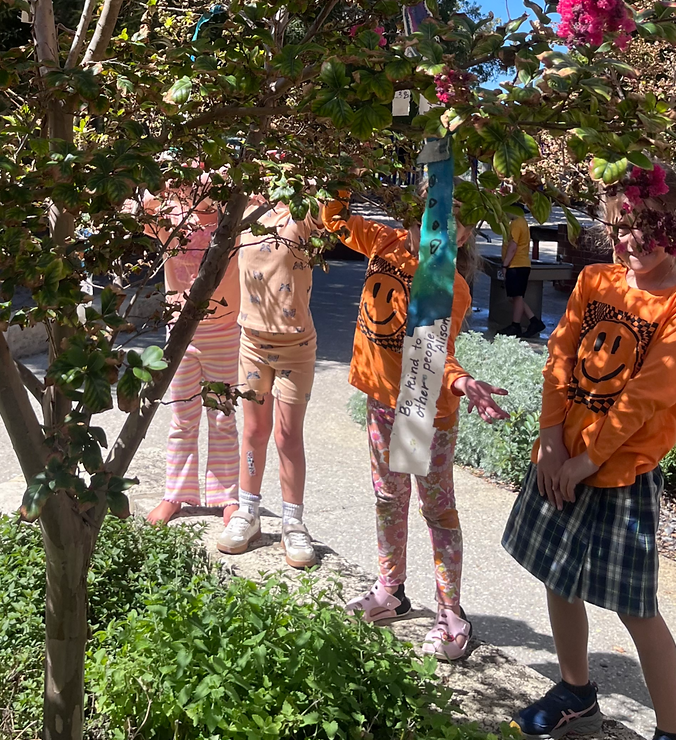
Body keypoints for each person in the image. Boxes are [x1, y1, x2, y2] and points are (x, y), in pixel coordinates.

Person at [501, 163, 676, 740]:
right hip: (566, 459)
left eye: (647, 229)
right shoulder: (595, 281)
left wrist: (585, 459)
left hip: (618, 475)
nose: (630, 243)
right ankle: (576, 691)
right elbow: (561, 357)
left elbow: (648, 396)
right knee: (558, 580)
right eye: (619, 228)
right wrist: (554, 439)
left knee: (635, 607)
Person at [323, 188, 509, 661]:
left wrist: (464, 383)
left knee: (436, 510)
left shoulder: (450, 286)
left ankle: (451, 612)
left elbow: (435, 356)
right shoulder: (385, 243)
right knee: (388, 497)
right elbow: (334, 219)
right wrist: (350, 173)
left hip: (423, 411)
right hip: (382, 403)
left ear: (465, 235)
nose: (434, 233)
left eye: (449, 226)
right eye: (426, 220)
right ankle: (392, 590)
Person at [216, 201, 322, 568]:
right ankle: (248, 512)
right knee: (254, 431)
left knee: (287, 436)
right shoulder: (243, 205)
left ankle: (293, 522)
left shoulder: (306, 209)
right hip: (252, 344)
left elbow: (339, 192)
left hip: (296, 348)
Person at [140, 176, 242, 526]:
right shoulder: (171, 216)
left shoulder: (233, 218)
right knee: (182, 417)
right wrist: (159, 192)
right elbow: (139, 213)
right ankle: (176, 494)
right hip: (180, 333)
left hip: (224, 330)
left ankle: (227, 497)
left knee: (222, 414)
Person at [500, 208, 545, 338]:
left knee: (517, 296)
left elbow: (513, 246)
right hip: (519, 265)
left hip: (516, 265)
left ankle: (516, 325)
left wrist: (505, 264)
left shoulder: (517, 223)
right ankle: (534, 321)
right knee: (514, 297)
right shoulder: (521, 222)